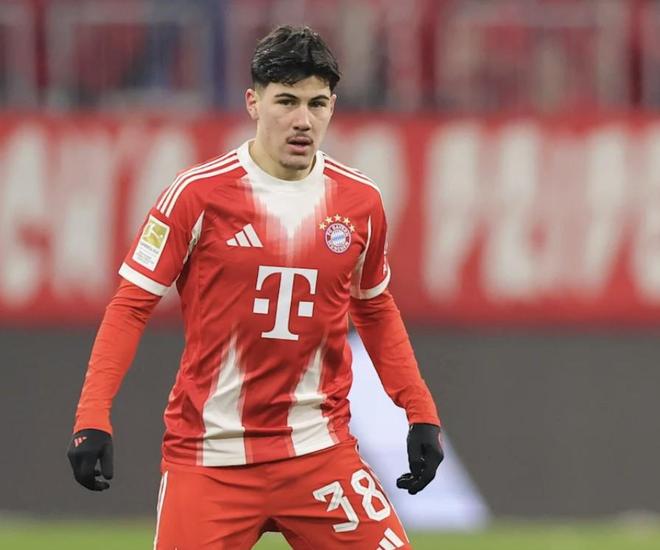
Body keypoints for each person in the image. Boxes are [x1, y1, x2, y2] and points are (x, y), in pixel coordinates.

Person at [67, 25, 443, 550]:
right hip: (210, 457)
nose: (302, 120)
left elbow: (375, 308)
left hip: (318, 453)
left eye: (317, 104)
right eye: (286, 101)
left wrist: (420, 412)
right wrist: (92, 417)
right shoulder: (197, 195)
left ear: (332, 107)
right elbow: (130, 306)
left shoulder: (360, 201)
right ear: (253, 102)